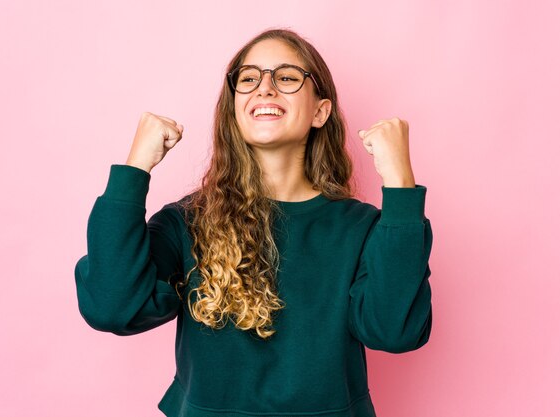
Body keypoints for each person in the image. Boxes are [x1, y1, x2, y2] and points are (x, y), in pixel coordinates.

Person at [74, 27, 433, 417]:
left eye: (286, 77)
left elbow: (394, 331)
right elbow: (112, 307)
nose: (264, 88)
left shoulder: (362, 228)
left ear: (320, 111)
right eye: (248, 78)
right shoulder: (187, 222)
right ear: (234, 108)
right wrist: (133, 169)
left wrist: (400, 184)